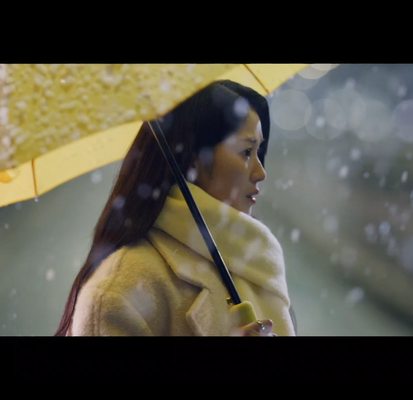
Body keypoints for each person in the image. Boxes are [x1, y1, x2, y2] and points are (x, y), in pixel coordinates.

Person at [54, 80, 295, 336]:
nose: (260, 173)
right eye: (246, 152)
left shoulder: (255, 268)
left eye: (259, 151)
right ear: (195, 157)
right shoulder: (118, 291)